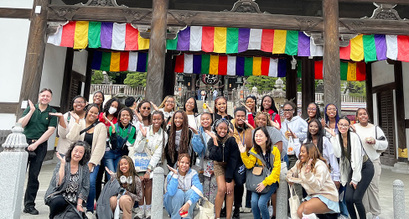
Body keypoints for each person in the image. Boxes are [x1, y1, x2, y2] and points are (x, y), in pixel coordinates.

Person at [19, 88, 58, 215]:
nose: (45, 98)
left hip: (40, 146)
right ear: (39, 96)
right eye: (43, 95)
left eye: (48, 96)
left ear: (50, 98)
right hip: (24, 143)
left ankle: (29, 205)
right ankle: (8, 200)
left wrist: (36, 144)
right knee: (18, 174)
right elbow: (21, 124)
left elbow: (50, 131)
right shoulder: (32, 108)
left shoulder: (52, 112)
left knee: (33, 176)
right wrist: (31, 111)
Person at [329, 116, 374, 219]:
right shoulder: (337, 137)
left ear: (349, 126)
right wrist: (334, 137)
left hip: (365, 167)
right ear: (338, 125)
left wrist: (355, 179)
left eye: (345, 125)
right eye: (341, 124)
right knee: (348, 199)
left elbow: (357, 159)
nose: (343, 127)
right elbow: (337, 154)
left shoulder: (353, 137)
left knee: (357, 199)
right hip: (353, 169)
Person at [67, 104, 107, 216]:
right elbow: (71, 138)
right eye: (91, 112)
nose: (93, 114)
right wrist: (77, 122)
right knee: (75, 182)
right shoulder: (81, 123)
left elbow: (100, 146)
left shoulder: (101, 127)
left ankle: (89, 209)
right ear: (87, 112)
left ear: (98, 115)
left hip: (93, 160)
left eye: (95, 113)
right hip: (78, 160)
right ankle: (75, 206)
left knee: (90, 183)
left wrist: (92, 163)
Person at [287, 143, 340, 218]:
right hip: (313, 195)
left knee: (306, 209)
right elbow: (290, 173)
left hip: (327, 195)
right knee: (299, 212)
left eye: (303, 152)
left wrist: (308, 175)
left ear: (310, 153)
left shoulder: (320, 165)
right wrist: (291, 178)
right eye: (300, 152)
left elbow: (317, 187)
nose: (300, 154)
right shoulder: (299, 163)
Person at [132, 111, 168, 219]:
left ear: (162, 120)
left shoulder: (164, 135)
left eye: (158, 119)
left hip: (153, 163)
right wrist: (143, 137)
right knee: (140, 184)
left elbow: (158, 154)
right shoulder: (144, 130)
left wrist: (149, 170)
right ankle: (140, 209)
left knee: (148, 184)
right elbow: (137, 148)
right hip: (140, 162)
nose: (156, 121)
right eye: (154, 119)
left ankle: (148, 209)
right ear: (151, 119)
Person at [353, 108, 388, 219]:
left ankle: (375, 213)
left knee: (373, 187)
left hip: (373, 160)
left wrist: (375, 142)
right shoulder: (353, 128)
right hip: (360, 163)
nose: (363, 116)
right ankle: (364, 211)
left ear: (368, 115)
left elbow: (385, 144)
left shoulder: (375, 128)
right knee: (361, 188)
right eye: (360, 114)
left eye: (365, 114)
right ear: (357, 117)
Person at [239, 127, 281, 219]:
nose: (258, 138)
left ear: (266, 137)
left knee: (261, 204)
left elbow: (276, 171)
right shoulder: (254, 150)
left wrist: (265, 183)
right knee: (254, 203)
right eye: (256, 136)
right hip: (258, 180)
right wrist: (243, 153)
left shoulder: (275, 150)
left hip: (271, 181)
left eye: (260, 136)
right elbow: (249, 165)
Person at [44, 141, 91, 218]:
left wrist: (79, 204)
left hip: (73, 200)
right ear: (71, 151)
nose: (77, 154)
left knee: (74, 217)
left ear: (84, 155)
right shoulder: (62, 163)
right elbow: (58, 183)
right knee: (58, 202)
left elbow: (85, 187)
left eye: (81, 152)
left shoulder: (84, 168)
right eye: (76, 151)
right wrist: (63, 165)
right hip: (58, 196)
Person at [207, 119, 240, 219]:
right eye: (220, 128)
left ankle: (228, 217)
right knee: (222, 189)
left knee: (230, 189)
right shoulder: (211, 140)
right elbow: (213, 156)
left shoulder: (231, 140)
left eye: (225, 129)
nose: (222, 131)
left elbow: (234, 159)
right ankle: (217, 216)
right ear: (216, 128)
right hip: (218, 165)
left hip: (231, 165)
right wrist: (215, 141)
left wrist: (229, 179)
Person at [230, 107, 254, 219]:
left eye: (242, 116)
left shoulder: (248, 128)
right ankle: (229, 207)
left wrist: (249, 130)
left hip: (244, 159)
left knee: (239, 184)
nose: (240, 118)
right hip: (232, 159)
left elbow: (249, 144)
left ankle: (237, 208)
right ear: (234, 117)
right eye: (238, 116)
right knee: (230, 184)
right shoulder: (230, 127)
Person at [302, 119, 340, 187]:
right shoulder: (306, 141)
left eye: (316, 126)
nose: (313, 128)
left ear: (319, 128)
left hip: (324, 174)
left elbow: (332, 158)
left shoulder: (324, 140)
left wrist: (336, 177)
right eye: (311, 126)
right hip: (310, 175)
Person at [164, 153, 203, 219]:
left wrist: (188, 203)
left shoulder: (193, 173)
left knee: (191, 191)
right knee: (178, 193)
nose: (184, 165)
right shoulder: (172, 174)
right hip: (173, 205)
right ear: (178, 163)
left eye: (187, 163)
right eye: (182, 162)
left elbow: (199, 190)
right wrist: (175, 176)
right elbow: (171, 193)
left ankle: (187, 217)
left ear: (189, 164)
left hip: (188, 205)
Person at [191, 112, 216, 203]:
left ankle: (212, 208)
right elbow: (198, 149)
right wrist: (197, 135)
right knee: (205, 184)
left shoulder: (215, 131)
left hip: (215, 162)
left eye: (207, 119)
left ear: (211, 120)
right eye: (203, 119)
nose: (205, 121)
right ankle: (204, 207)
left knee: (213, 185)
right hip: (203, 162)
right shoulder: (198, 132)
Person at [105, 108, 137, 176]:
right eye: (123, 115)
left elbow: (128, 145)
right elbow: (113, 145)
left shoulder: (132, 129)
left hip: (120, 154)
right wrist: (113, 132)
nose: (125, 117)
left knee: (118, 175)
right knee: (111, 175)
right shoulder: (112, 127)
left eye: (127, 115)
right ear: (119, 117)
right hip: (110, 153)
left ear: (131, 117)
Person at [280, 101, 308, 168]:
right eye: (285, 110)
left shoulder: (299, 121)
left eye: (289, 110)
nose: (287, 112)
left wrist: (296, 135)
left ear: (293, 110)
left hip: (296, 153)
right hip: (285, 154)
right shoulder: (283, 123)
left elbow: (307, 134)